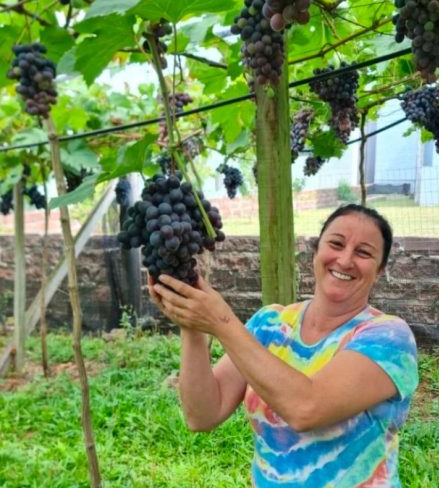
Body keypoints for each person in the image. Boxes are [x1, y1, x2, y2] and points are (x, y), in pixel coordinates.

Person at [149, 203, 419, 487]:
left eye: (363, 252)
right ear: (316, 251)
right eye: (336, 243)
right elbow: (202, 415)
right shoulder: (269, 324)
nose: (345, 259)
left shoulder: (389, 338)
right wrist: (191, 326)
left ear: (379, 271)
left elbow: (307, 408)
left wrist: (220, 321)